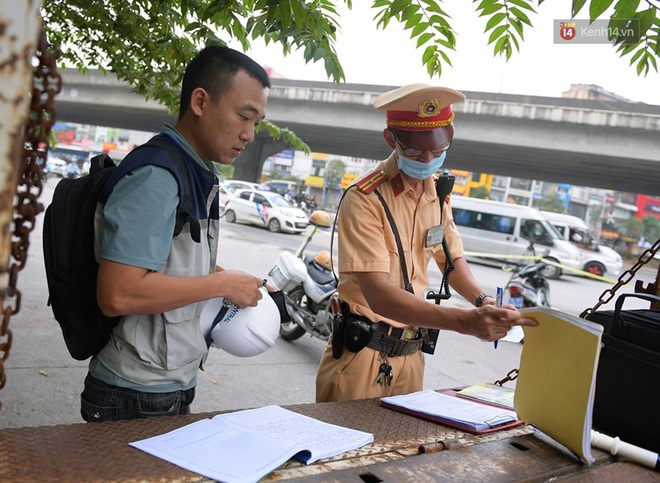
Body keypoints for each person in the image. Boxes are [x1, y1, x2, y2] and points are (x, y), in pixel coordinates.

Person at [80, 46, 270, 422]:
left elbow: (167, 261)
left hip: (164, 385)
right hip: (133, 392)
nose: (249, 134)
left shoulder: (193, 171)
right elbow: (118, 293)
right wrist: (223, 284)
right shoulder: (158, 176)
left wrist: (223, 277)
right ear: (200, 101)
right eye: (243, 117)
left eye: (257, 124)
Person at [315, 84, 538, 402]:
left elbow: (452, 261)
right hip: (361, 355)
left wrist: (483, 301)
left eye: (438, 150)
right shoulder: (366, 198)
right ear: (391, 139)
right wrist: (464, 322)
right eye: (417, 152)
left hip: (411, 353)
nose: (428, 159)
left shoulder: (438, 195)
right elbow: (378, 296)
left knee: (402, 448)